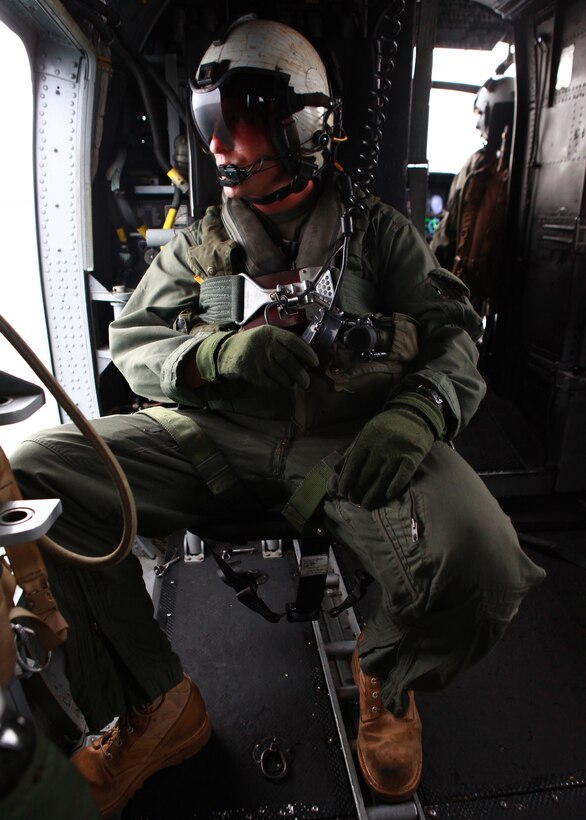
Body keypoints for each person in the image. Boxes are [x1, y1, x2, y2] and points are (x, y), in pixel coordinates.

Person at [9, 17, 545, 816]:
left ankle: (387, 672)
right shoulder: (197, 247)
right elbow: (134, 341)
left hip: (351, 444)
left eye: (241, 122)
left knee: (485, 560)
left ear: (301, 127)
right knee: (39, 473)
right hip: (208, 439)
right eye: (211, 124)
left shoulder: (381, 238)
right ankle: (157, 704)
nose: (218, 145)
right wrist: (216, 357)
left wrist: (420, 410)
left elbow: (454, 338)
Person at [430, 76, 515, 315]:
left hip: (472, 292)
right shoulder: (524, 167)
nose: (478, 125)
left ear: (491, 112)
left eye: (480, 114)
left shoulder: (478, 167)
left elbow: (447, 235)